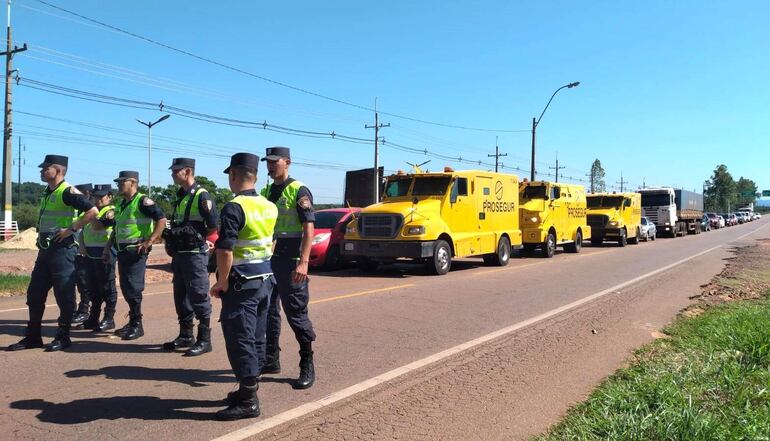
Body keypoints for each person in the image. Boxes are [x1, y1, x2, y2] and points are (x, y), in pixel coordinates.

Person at [211, 152, 277, 420]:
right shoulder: (268, 205)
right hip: (266, 279)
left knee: (239, 337)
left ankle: (249, 401)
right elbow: (272, 242)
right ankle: (247, 388)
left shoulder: (234, 206)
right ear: (257, 176)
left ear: (234, 175)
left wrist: (221, 282)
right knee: (256, 336)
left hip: (241, 283)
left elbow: (225, 249)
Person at [7, 155, 97, 352]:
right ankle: (33, 337)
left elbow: (93, 211)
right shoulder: (48, 192)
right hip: (46, 251)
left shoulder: (68, 191)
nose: (41, 171)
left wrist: (71, 229)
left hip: (63, 251)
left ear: (58, 170)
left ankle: (63, 336)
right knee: (34, 294)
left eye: (45, 168)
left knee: (64, 295)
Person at [260, 146, 316, 389]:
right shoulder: (265, 191)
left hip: (292, 259)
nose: (270, 166)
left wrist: (304, 262)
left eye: (275, 161)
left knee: (296, 312)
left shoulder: (298, 190)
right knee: (269, 312)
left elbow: (308, 228)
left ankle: (307, 361)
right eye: (268, 162)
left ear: (287, 162)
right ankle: (271, 359)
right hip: (270, 259)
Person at [162, 157, 219, 356]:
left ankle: (205, 339)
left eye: (175, 170)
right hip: (180, 254)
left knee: (198, 295)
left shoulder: (202, 196)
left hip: (195, 254)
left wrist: (208, 245)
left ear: (187, 171)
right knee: (181, 296)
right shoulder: (180, 195)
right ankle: (186, 335)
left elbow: (213, 226)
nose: (172, 174)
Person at [105, 171, 167, 340]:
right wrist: (107, 247)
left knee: (133, 287)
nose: (118, 185)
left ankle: (137, 325)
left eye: (121, 182)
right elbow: (116, 229)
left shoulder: (143, 202)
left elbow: (161, 220)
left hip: (136, 251)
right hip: (122, 251)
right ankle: (132, 321)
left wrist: (149, 241)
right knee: (125, 287)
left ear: (132, 182)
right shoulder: (121, 204)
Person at [76, 184, 119, 332]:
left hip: (106, 252)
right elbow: (82, 229)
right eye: (95, 196)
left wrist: (91, 213)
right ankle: (93, 318)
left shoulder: (111, 211)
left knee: (107, 286)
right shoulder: (92, 211)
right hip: (89, 252)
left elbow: (98, 227)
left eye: (101, 196)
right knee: (92, 287)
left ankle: (109, 318)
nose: (98, 199)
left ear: (110, 197)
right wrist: (81, 245)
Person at [71, 183, 94, 324]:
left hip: (85, 252)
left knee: (84, 282)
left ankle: (85, 310)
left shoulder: (91, 211)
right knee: (73, 281)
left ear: (87, 193)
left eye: (81, 194)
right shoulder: (78, 210)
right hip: (74, 250)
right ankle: (72, 309)